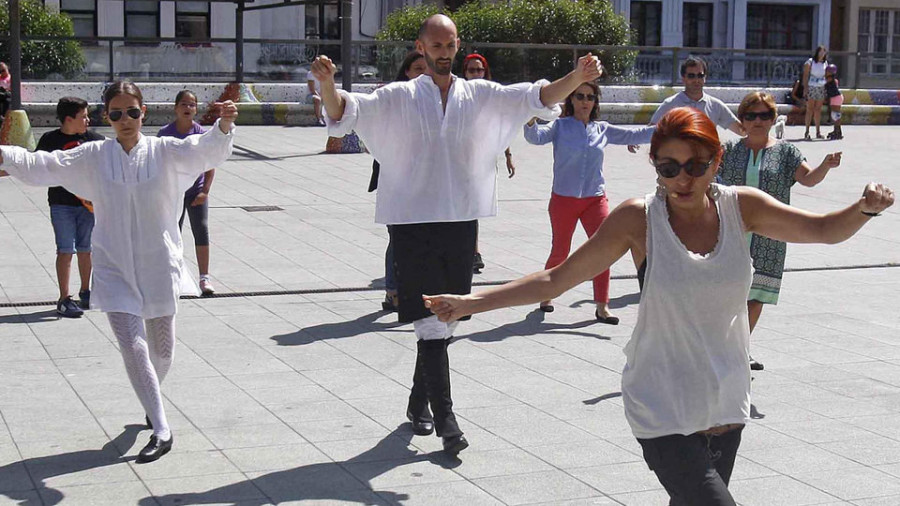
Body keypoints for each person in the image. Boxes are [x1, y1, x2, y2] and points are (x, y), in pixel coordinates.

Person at [424, 107, 893, 505]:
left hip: (725, 398)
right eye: (668, 168)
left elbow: (822, 230)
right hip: (661, 402)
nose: (682, 178)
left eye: (695, 165)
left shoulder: (742, 207)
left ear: (718, 161)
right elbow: (558, 277)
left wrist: (864, 208)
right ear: (654, 165)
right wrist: (473, 302)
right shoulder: (638, 218)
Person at [310, 14, 601, 456]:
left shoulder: (480, 95)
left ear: (457, 46)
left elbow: (535, 98)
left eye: (450, 45)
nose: (444, 52)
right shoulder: (401, 96)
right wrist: (329, 85)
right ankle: (446, 418)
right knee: (432, 318)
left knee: (444, 321)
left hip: (462, 222)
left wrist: (575, 76)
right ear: (421, 47)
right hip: (411, 223)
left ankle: (416, 402)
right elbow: (344, 113)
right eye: (436, 45)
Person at [0, 81, 237, 464]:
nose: (124, 120)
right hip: (112, 265)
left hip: (159, 262)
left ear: (144, 113)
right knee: (132, 344)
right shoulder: (93, 155)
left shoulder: (165, 151)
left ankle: (150, 398)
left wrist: (224, 127)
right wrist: (4, 154)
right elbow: (44, 164)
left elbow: (206, 149)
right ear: (105, 116)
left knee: (162, 349)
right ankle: (162, 428)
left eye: (132, 112)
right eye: (115, 113)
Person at [719, 91, 842, 371]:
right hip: (731, 233)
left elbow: (808, 179)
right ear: (742, 120)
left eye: (764, 115)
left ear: (774, 119)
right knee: (729, 293)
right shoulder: (728, 151)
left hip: (771, 235)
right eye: (751, 116)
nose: (758, 121)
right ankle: (724, 347)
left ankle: (739, 349)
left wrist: (825, 165)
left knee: (757, 295)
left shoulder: (787, 152)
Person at [524, 81, 654, 323]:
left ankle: (602, 306)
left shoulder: (602, 129)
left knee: (603, 250)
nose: (585, 101)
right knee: (560, 251)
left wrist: (668, 127)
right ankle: (547, 294)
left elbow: (636, 134)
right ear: (571, 100)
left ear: (595, 102)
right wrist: (530, 116)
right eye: (580, 96)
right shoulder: (559, 126)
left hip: (595, 199)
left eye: (590, 97)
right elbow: (535, 137)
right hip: (564, 199)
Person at [367, 51, 427, 312]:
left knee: (424, 239)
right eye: (417, 68)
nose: (423, 74)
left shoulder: (439, 102)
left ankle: (417, 288)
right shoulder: (394, 99)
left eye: (427, 69)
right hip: (396, 182)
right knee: (398, 239)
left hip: (426, 182)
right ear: (406, 72)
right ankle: (393, 292)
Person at [36, 97, 105, 317]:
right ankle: (64, 298)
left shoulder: (93, 140)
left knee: (86, 249)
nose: (88, 120)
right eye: (83, 116)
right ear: (68, 119)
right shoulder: (50, 140)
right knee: (66, 250)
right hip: (61, 204)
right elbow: (37, 166)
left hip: (88, 205)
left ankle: (86, 291)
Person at [157, 90, 217, 296]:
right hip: (173, 192)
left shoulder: (201, 134)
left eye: (192, 105)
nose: (188, 108)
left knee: (201, 230)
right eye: (184, 104)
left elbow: (210, 165)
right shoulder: (165, 133)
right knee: (173, 232)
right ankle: (172, 276)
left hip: (195, 191)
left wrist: (205, 192)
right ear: (175, 108)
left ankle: (204, 278)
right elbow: (157, 163)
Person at [461, 53, 516, 273]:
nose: (476, 74)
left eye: (479, 70)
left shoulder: (493, 97)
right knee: (463, 206)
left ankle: (473, 251)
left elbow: (500, 128)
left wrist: (508, 155)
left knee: (473, 206)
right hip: (459, 158)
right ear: (464, 73)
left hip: (482, 159)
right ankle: (470, 251)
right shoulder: (458, 95)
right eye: (472, 70)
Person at [628, 56, 744, 153]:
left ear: (705, 78)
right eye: (691, 76)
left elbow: (740, 130)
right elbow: (653, 128)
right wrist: (635, 139)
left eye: (700, 75)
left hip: (706, 165)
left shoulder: (716, 106)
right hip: (678, 165)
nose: (696, 80)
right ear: (683, 78)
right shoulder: (671, 104)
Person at [803, 45, 828, 141]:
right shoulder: (810, 62)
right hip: (812, 86)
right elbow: (805, 76)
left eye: (823, 52)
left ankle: (818, 131)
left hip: (821, 87)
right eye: (820, 52)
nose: (822, 54)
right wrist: (805, 88)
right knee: (810, 109)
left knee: (818, 109)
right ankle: (807, 131)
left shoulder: (825, 63)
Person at [825, 64, 844, 140]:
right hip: (835, 97)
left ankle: (838, 131)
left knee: (836, 115)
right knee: (835, 115)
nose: (826, 72)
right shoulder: (833, 79)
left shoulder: (829, 79)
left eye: (828, 71)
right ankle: (836, 130)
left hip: (836, 98)